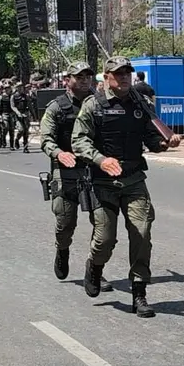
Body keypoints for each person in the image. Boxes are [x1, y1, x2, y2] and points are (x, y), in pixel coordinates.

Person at [72, 56, 181, 318]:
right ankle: (95, 267)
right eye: (118, 73)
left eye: (127, 73)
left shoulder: (140, 105)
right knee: (105, 239)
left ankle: (139, 292)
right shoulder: (93, 105)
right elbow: (79, 141)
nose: (124, 77)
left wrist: (165, 143)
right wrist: (101, 159)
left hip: (133, 179)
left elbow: (151, 137)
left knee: (142, 233)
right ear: (106, 77)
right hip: (102, 181)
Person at [39, 61, 113, 292]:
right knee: (65, 222)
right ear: (67, 81)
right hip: (67, 171)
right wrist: (58, 153)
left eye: (87, 77)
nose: (84, 81)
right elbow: (46, 138)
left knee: (102, 224)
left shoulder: (101, 104)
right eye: (79, 77)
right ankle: (62, 250)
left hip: (95, 171)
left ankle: (95, 269)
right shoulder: (57, 108)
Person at [11, 82, 32, 153]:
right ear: (16, 88)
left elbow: (30, 106)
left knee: (26, 131)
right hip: (17, 116)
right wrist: (18, 113)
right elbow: (13, 106)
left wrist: (34, 115)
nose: (20, 88)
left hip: (25, 115)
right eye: (19, 87)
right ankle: (17, 139)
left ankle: (25, 147)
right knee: (21, 130)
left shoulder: (26, 96)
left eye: (21, 87)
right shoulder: (13, 96)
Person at [0, 84, 15, 149]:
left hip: (11, 114)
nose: (7, 89)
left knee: (12, 129)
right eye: (6, 88)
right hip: (4, 114)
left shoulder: (12, 96)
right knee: (6, 127)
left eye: (8, 88)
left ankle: (12, 145)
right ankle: (2, 140)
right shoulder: (1, 97)